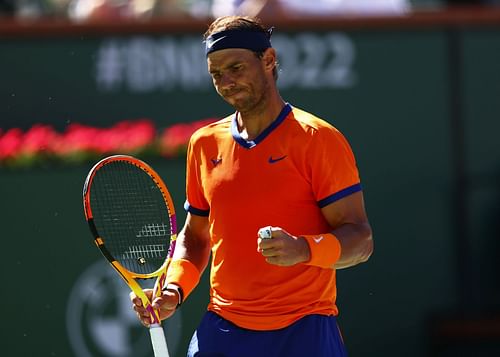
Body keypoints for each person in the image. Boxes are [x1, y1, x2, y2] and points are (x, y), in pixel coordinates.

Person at [131, 15, 374, 357]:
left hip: (304, 330)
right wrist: (173, 290)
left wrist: (303, 249)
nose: (226, 81)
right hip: (223, 329)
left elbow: (360, 240)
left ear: (269, 60)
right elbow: (196, 236)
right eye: (216, 73)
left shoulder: (318, 139)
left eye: (236, 67)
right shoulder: (204, 144)